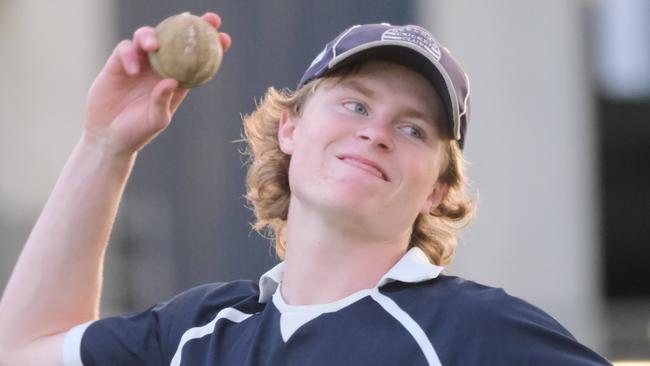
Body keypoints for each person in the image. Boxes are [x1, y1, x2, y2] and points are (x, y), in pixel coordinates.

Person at [0, 11, 611, 366]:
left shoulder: (478, 333)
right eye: (354, 103)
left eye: (413, 128)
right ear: (290, 128)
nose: (375, 134)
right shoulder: (201, 332)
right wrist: (105, 146)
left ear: (438, 191)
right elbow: (23, 351)